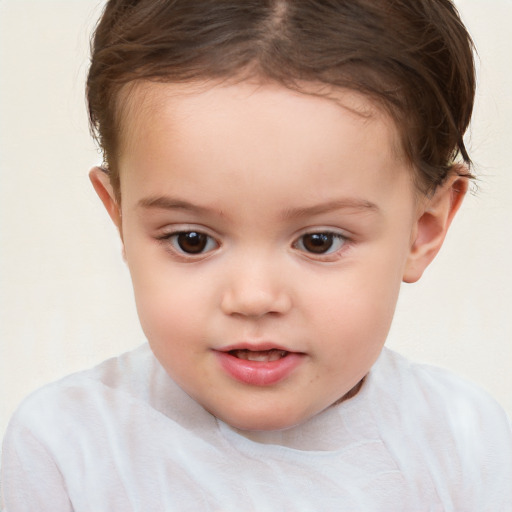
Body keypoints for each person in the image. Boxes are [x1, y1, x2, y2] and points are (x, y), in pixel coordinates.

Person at [1, 0, 511, 510]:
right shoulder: (66, 450)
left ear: (423, 229)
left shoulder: (468, 444)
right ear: (120, 219)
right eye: (191, 240)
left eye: (318, 241)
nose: (253, 297)